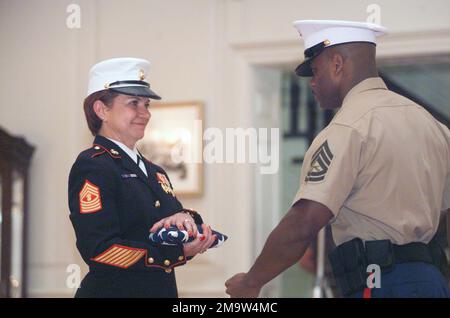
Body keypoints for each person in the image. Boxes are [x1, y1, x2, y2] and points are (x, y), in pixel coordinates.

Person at [225, 20, 450, 298]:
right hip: (431, 281)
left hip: (378, 281)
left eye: (315, 71)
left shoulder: (348, 129)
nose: (312, 83)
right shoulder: (433, 125)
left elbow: (304, 221)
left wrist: (251, 281)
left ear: (337, 64)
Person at [68, 57, 216, 297]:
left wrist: (185, 219)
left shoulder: (154, 171)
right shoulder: (94, 166)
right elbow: (100, 249)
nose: (144, 113)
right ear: (102, 109)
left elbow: (166, 219)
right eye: (133, 103)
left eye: (146, 105)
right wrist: (175, 253)